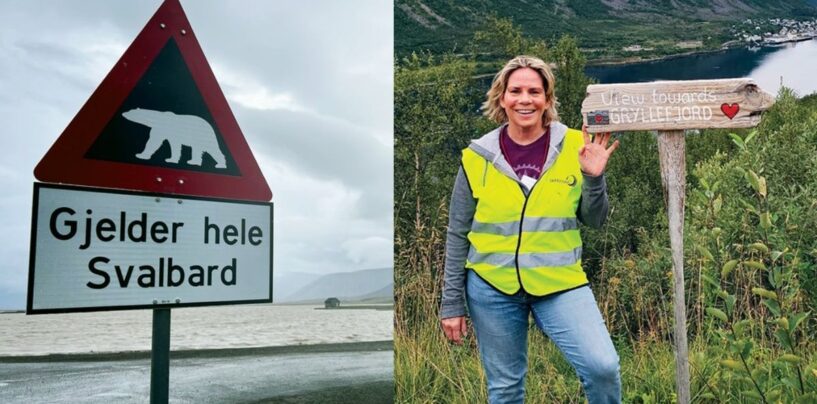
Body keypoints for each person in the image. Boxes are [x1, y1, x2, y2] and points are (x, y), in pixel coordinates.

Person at [439, 55, 621, 404]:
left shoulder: (576, 144)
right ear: (502, 98)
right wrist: (451, 303)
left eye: (535, 91)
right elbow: (457, 232)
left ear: (548, 100)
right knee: (505, 390)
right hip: (492, 288)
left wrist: (593, 178)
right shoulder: (477, 156)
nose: (525, 99)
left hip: (561, 283)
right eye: (516, 91)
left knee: (602, 367)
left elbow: (596, 220)